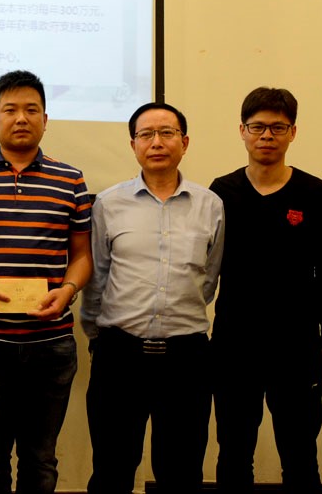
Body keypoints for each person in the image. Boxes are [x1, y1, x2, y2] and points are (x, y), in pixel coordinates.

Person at [0, 70, 93, 494]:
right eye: (10, 110)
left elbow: (82, 256)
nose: (21, 118)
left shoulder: (71, 180)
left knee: (41, 462)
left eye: (31, 110)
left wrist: (68, 290)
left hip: (51, 342)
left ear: (46, 119)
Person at [80, 102, 224, 494]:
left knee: (181, 474)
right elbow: (98, 277)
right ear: (133, 145)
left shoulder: (210, 205)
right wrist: (98, 336)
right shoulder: (108, 203)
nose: (156, 142)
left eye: (167, 133)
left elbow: (208, 278)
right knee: (111, 470)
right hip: (119, 354)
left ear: (184, 142)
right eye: (146, 134)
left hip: (186, 358)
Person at [210, 87, 322, 494]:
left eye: (278, 127)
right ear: (242, 131)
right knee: (234, 452)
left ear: (293, 132)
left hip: (297, 345)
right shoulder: (221, 191)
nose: (267, 135)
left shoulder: (316, 193)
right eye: (257, 127)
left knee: (300, 454)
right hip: (234, 343)